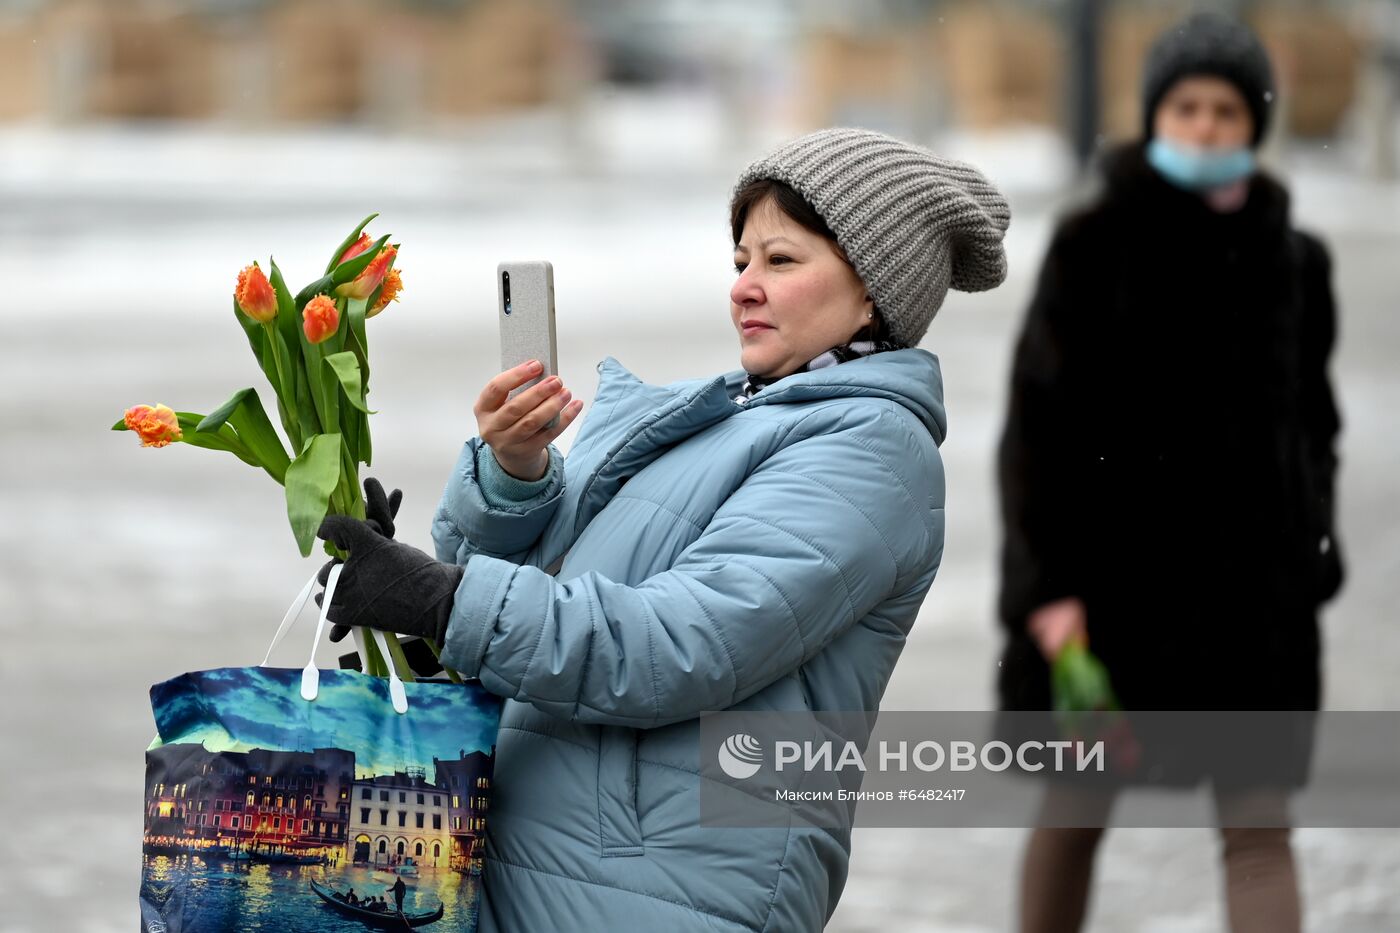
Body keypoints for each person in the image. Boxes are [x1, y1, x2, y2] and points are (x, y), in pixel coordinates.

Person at [313, 127, 1010, 931]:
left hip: (664, 893)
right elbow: (554, 596)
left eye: (781, 261)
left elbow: (677, 646)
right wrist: (513, 477)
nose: (745, 287)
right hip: (540, 868)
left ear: (873, 292)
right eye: (741, 261)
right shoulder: (724, 415)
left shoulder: (871, 451)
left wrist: (444, 599)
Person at [994, 13, 1343, 933]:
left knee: (1259, 830)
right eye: (1185, 106)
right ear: (1155, 116)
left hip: (1254, 604)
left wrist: (1316, 546)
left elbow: (1317, 425)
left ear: (1252, 123)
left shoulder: (1296, 262)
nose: (1204, 127)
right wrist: (1046, 588)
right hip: (1110, 597)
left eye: (1226, 110)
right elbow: (1037, 429)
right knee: (1074, 816)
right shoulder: (1094, 246)